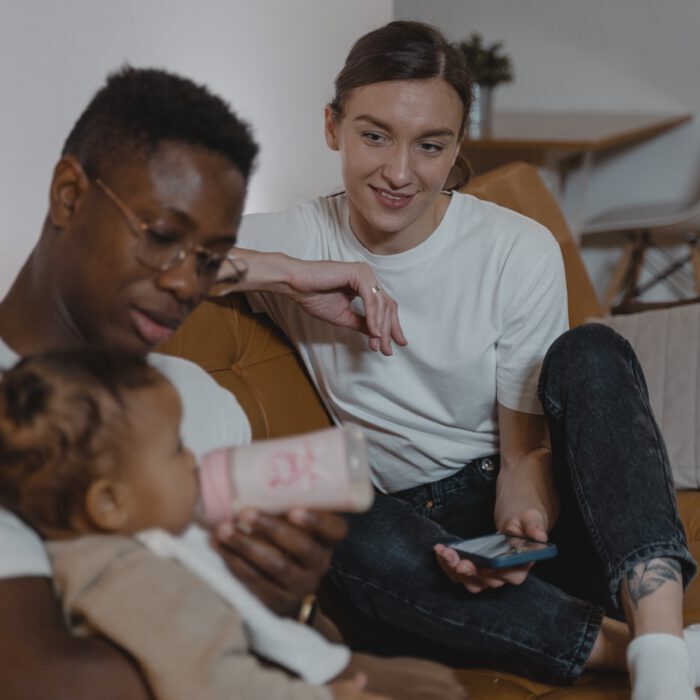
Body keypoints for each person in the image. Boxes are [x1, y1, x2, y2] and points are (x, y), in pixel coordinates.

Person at [235, 19, 699, 700]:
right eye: (373, 135)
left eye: (430, 145)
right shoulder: (296, 237)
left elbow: (523, 454)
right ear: (331, 126)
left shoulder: (515, 248)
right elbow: (150, 259)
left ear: (456, 147)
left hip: (545, 520)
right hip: (412, 549)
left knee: (592, 349)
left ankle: (660, 658)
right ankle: (651, 651)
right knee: (333, 517)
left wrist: (524, 523)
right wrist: (288, 272)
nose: (399, 172)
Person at [0, 65, 464, 700]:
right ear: (68, 194)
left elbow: (292, 634)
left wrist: (286, 598)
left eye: (210, 260)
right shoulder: (14, 416)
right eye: (161, 237)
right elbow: (44, 678)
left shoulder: (192, 398)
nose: (185, 285)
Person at [0, 347, 391, 700]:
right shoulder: (127, 578)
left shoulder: (120, 553)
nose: (193, 458)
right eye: (175, 448)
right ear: (109, 502)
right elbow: (211, 683)